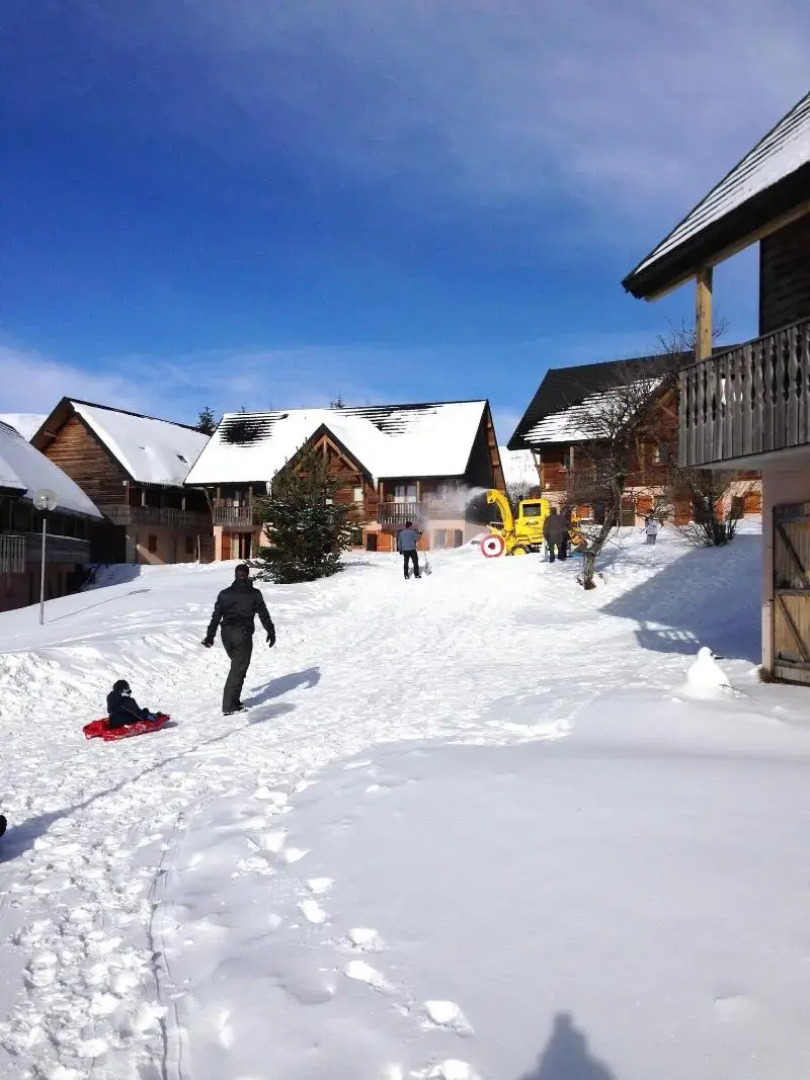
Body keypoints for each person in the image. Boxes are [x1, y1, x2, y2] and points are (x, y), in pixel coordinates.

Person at [203, 564, 276, 715]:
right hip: (241, 635)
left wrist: (210, 635)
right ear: (247, 575)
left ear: (235, 575)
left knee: (238, 666)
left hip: (226, 635)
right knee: (238, 669)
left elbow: (216, 616)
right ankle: (230, 706)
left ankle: (233, 702)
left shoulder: (225, 594)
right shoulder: (254, 594)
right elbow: (263, 614)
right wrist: (271, 631)